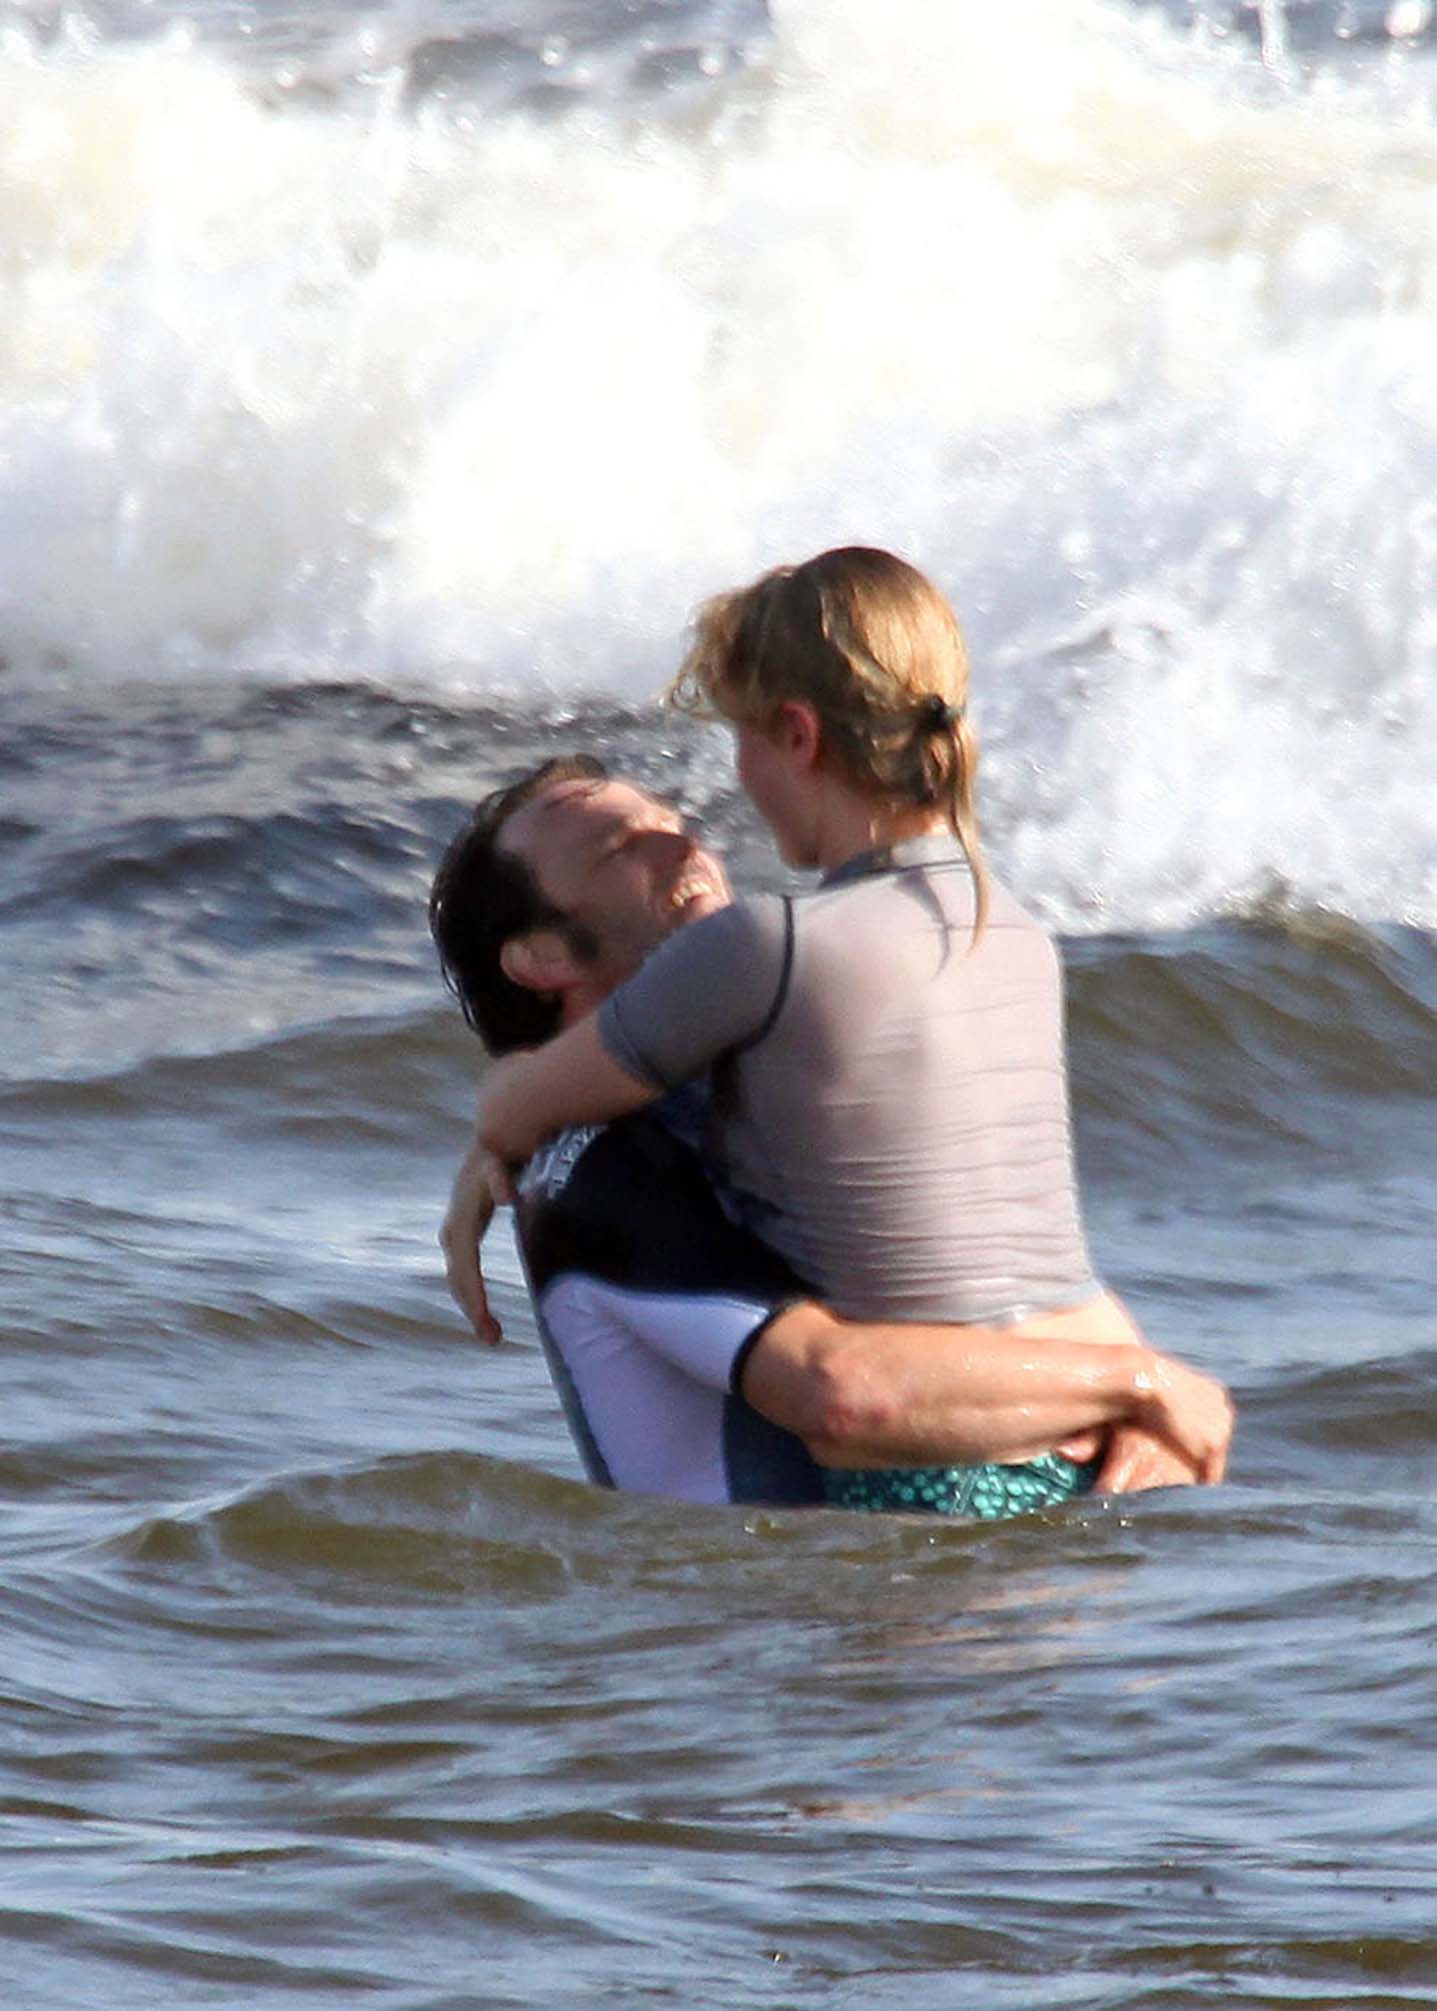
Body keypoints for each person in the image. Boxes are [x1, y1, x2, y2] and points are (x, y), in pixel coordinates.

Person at [473, 549, 1224, 1517]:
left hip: (939, 1463)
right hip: (1110, 1455)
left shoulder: (765, 947)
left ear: (797, 734)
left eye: (742, 738)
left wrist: (495, 1150)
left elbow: (515, 1103)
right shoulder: (1018, 935)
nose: (729, 791)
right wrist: (1140, 1386)